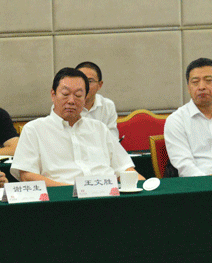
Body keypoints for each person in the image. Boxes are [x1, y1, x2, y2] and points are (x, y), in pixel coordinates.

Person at [11, 68, 140, 186]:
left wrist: (144, 186)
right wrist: (74, 190)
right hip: (62, 199)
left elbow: (125, 168)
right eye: (65, 94)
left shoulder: (99, 128)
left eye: (78, 95)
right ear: (53, 95)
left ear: (85, 99)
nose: (71, 101)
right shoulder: (34, 129)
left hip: (108, 195)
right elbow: (27, 176)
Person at [75, 62, 119, 141]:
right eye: (80, 80)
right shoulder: (64, 105)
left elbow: (113, 139)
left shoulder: (108, 106)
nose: (84, 85)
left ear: (99, 85)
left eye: (90, 81)